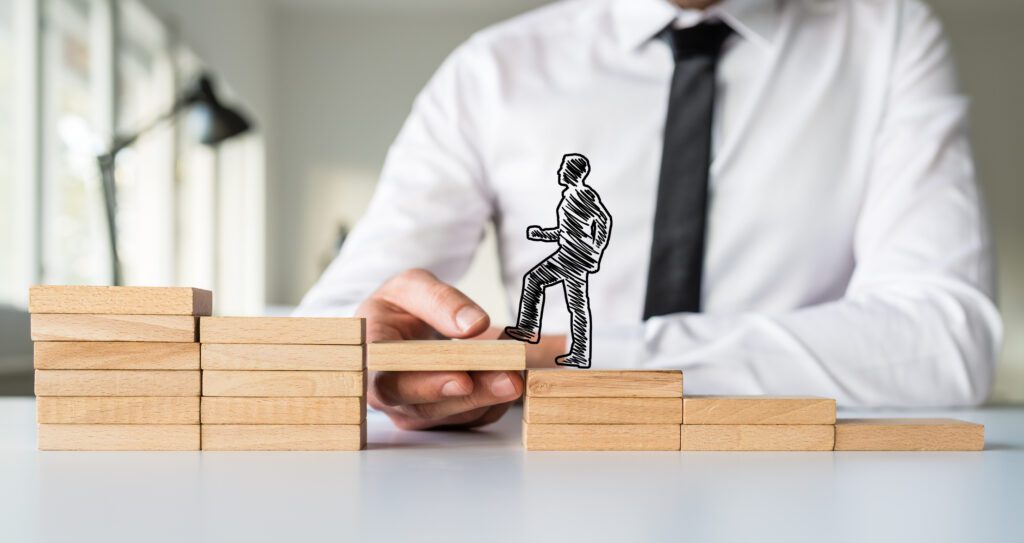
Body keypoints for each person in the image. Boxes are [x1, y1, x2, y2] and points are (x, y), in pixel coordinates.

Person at [298, 0, 1002, 431]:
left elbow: (943, 341)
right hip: (542, 500)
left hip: (795, 486)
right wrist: (376, 357)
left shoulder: (889, 40)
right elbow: (332, 327)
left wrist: (576, 360)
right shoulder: (490, 71)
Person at [505, 154, 612, 368]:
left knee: (536, 280)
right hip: (572, 254)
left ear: (572, 172)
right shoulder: (571, 195)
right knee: (577, 304)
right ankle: (579, 353)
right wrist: (542, 234)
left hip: (574, 256)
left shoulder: (583, 195)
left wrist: (595, 251)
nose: (559, 172)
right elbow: (566, 232)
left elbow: (604, 221)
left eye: (563, 168)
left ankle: (529, 329)